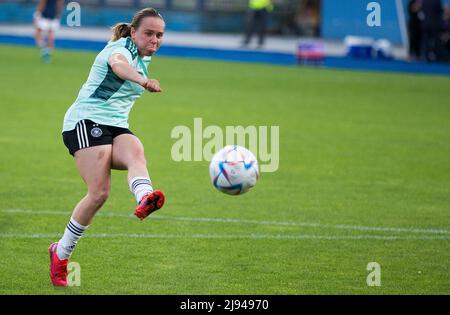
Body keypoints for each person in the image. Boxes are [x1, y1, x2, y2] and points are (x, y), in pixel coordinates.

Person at [48, 8, 166, 287]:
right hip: (85, 122)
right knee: (99, 192)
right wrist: (142, 80)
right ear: (134, 32)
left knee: (136, 148)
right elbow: (117, 66)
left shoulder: (142, 57)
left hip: (114, 126)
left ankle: (146, 198)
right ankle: (60, 254)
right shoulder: (120, 48)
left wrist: (143, 73)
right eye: (148, 33)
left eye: (159, 35)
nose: (154, 40)